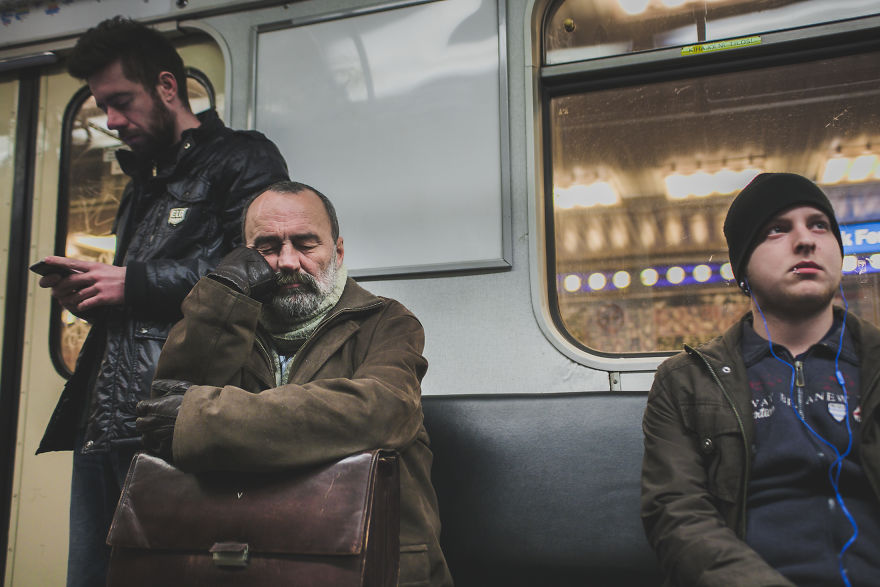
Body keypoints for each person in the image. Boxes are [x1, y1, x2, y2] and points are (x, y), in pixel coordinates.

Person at [34, 16, 289, 587]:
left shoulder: (241, 159)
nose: (111, 120)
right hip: (103, 419)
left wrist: (133, 283)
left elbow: (263, 266)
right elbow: (137, 293)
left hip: (175, 416)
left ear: (167, 87)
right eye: (103, 106)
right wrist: (93, 296)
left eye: (121, 101)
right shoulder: (139, 186)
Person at [136, 181, 453, 586]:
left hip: (375, 563)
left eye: (305, 244)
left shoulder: (386, 322)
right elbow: (168, 419)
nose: (287, 261)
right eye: (267, 248)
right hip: (247, 563)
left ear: (337, 251)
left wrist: (205, 421)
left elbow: (380, 412)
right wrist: (224, 293)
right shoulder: (229, 320)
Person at [641, 173, 880, 587]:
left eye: (819, 225)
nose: (805, 241)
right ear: (742, 268)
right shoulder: (687, 382)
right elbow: (678, 517)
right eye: (777, 229)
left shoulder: (873, 364)